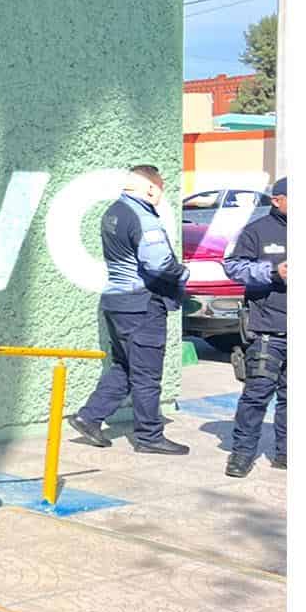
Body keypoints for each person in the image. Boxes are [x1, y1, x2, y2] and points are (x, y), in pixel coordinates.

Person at [68, 165, 192, 455]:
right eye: (161, 189)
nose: (161, 195)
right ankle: (149, 437)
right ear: (150, 188)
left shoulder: (113, 211)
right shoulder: (143, 217)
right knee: (147, 375)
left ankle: (89, 417)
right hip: (142, 305)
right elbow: (158, 264)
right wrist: (184, 273)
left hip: (117, 303)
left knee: (123, 366)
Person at [221, 176, 288, 476]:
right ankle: (242, 454)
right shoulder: (257, 231)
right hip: (267, 330)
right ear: (278, 200)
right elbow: (233, 267)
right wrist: (274, 272)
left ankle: (286, 452)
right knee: (257, 394)